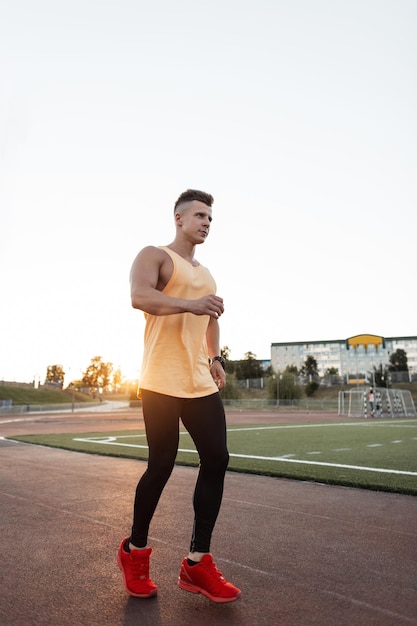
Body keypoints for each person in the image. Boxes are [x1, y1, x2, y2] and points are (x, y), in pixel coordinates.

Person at [116, 189, 241, 604]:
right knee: (161, 465)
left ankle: (197, 562)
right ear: (179, 218)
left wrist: (216, 356)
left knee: (217, 458)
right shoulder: (154, 255)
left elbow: (210, 317)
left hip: (198, 382)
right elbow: (140, 297)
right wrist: (192, 303)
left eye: (211, 218)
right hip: (159, 380)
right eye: (201, 215)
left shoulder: (207, 275)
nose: (207, 222)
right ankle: (135, 552)